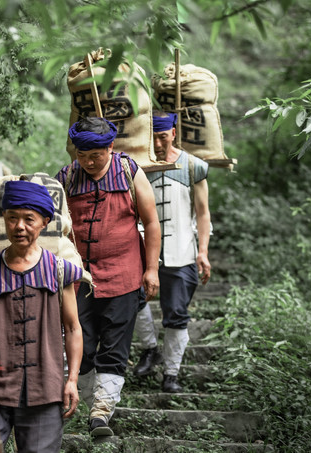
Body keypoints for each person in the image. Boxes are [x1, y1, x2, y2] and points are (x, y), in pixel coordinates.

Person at [0, 180, 83, 453]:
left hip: (45, 388)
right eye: (12, 219)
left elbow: (72, 328)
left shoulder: (60, 271)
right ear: (5, 221)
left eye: (28, 219)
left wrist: (72, 380)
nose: (19, 226)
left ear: (44, 221)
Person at [55, 117, 161, 437]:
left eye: (96, 155)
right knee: (81, 346)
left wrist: (151, 269)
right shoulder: (67, 177)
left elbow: (152, 223)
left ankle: (101, 412)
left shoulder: (130, 172)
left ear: (110, 148)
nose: (88, 162)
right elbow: (52, 227)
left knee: (114, 347)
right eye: (82, 155)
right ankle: (91, 402)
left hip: (123, 274)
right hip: (79, 278)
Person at [132, 111, 212, 393]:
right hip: (142, 252)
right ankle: (150, 348)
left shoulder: (192, 166)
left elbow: (202, 213)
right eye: (152, 136)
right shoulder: (137, 166)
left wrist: (202, 251)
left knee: (176, 312)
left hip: (181, 253)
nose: (157, 143)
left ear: (173, 133)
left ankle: (171, 374)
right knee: (135, 301)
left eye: (162, 136)